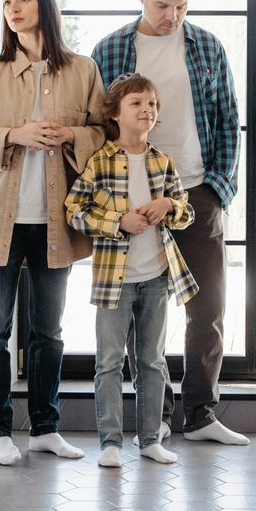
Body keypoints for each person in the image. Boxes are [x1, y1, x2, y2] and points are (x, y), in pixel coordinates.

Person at [90, 0, 248, 446]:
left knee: (208, 308)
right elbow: (97, 126)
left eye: (181, 7)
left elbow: (228, 120)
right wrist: (111, 202)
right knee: (141, 312)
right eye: (162, 6)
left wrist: (218, 188)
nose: (172, 16)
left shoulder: (207, 46)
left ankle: (200, 415)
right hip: (132, 198)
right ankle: (152, 420)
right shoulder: (111, 49)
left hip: (196, 191)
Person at [0, 0, 105, 466]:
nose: (13, 9)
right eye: (6, 2)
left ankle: (45, 429)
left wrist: (70, 135)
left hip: (56, 220)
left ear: (44, 6)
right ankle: (0, 433)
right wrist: (13, 135)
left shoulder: (82, 70)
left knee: (48, 332)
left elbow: (104, 132)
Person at [64, 73, 199, 468]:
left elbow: (186, 212)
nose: (146, 110)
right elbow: (74, 210)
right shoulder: (100, 162)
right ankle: (110, 443)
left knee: (152, 362)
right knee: (108, 362)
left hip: (156, 278)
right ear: (115, 114)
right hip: (114, 281)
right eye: (136, 103)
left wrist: (169, 206)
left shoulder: (162, 162)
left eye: (152, 104)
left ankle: (150, 440)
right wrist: (117, 222)